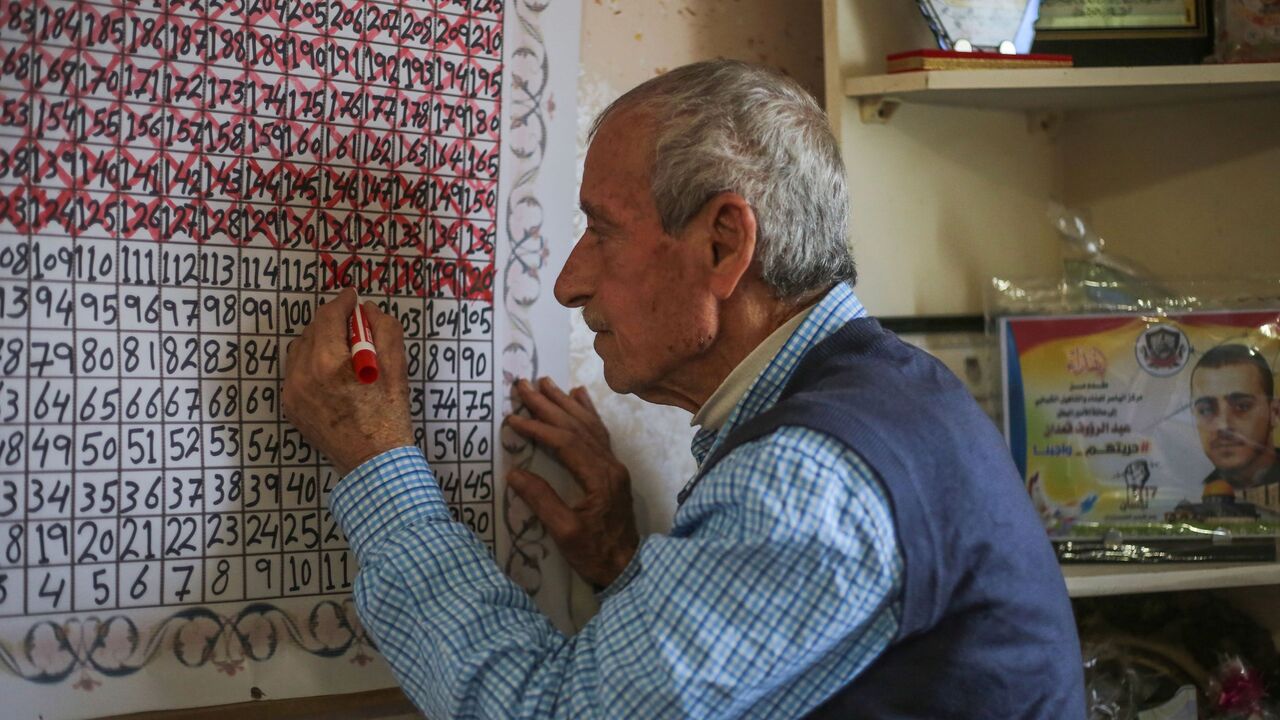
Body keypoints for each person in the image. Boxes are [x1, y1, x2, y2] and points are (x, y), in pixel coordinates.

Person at [283, 60, 1084, 719]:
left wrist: (376, 464)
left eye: (603, 232)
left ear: (724, 245)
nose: (568, 282)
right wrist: (623, 563)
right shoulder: (889, 392)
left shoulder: (807, 478)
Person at [1190, 343, 1280, 494]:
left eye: (1242, 406)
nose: (1223, 425)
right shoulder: (1192, 491)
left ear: (1275, 412)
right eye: (1206, 410)